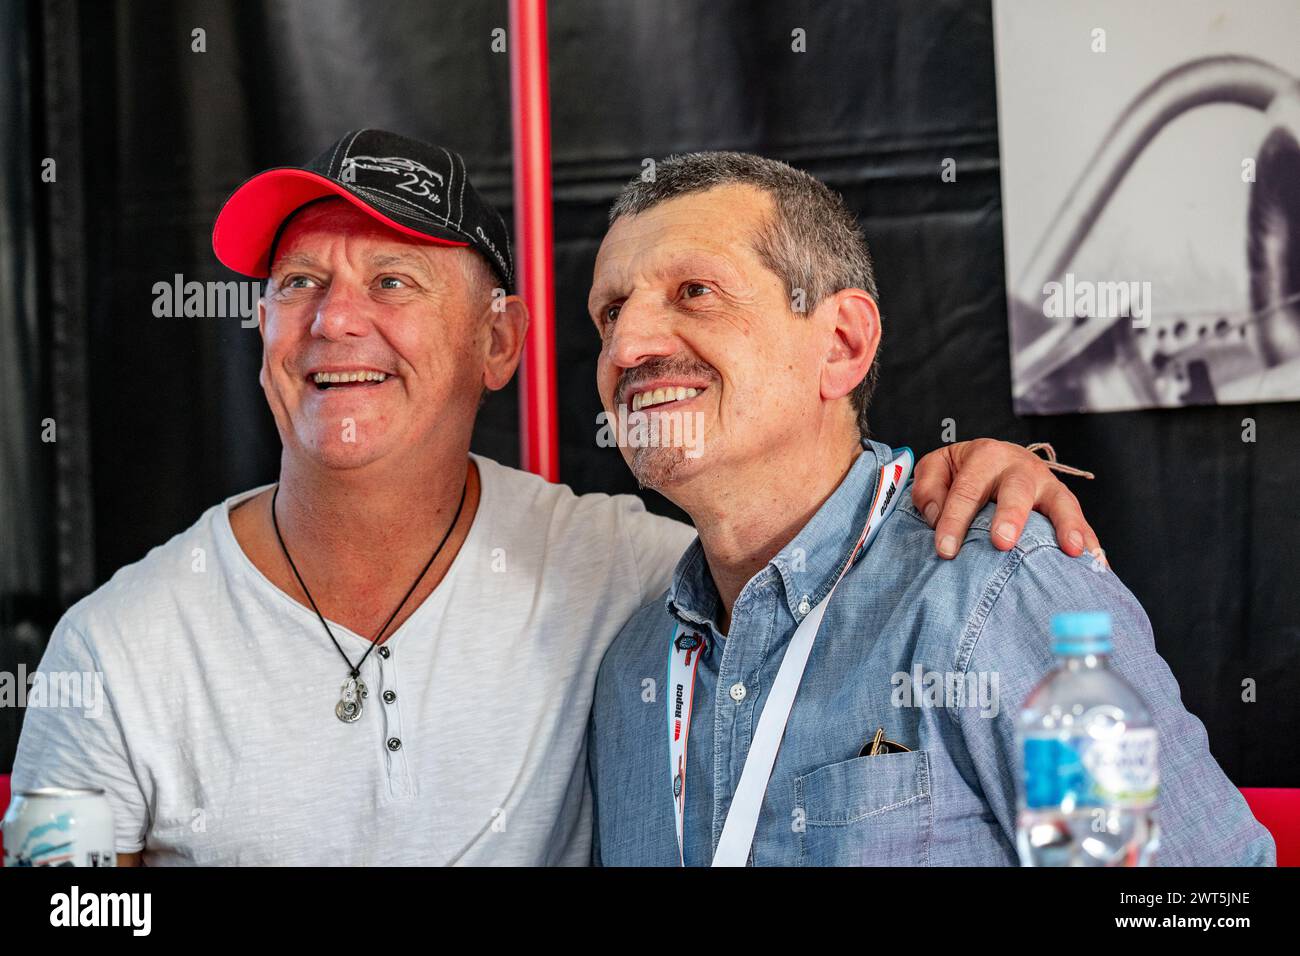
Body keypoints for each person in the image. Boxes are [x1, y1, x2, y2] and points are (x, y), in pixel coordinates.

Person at [13, 131, 1103, 865]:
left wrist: (968, 478)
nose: (334, 320)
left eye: (391, 279)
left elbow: (1177, 882)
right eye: (298, 283)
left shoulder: (623, 576)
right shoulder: (113, 647)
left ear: (501, 342)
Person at [586, 151, 1275, 866]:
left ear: (842, 344)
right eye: (609, 313)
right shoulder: (634, 671)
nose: (627, 346)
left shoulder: (1000, 596)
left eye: (694, 290)